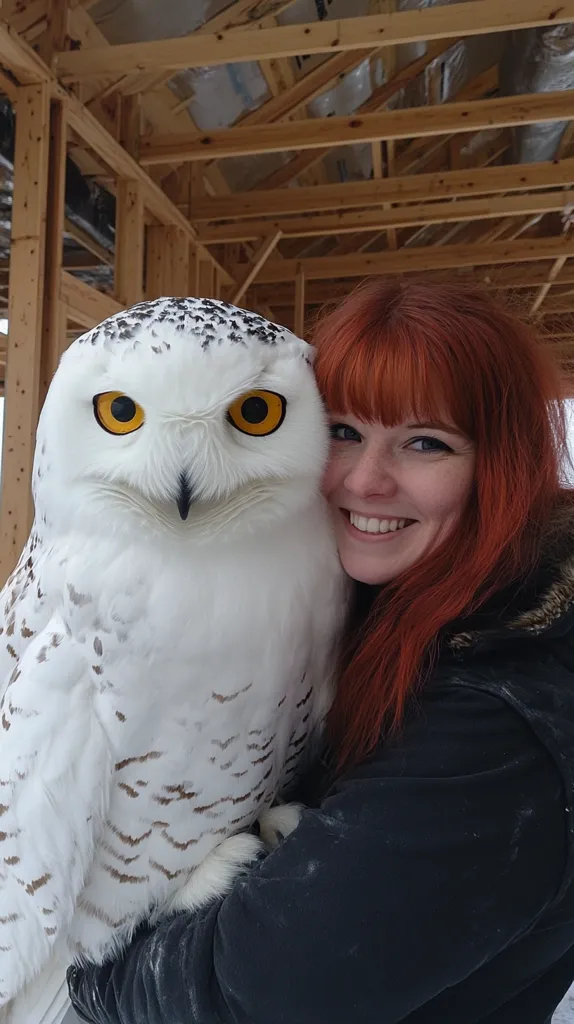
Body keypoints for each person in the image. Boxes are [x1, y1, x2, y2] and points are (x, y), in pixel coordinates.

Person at [68, 279, 574, 1023]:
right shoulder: (384, 605)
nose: (365, 480)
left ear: (500, 463)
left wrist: (74, 975)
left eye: (425, 442)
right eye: (341, 431)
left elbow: (250, 994)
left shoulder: (499, 722)